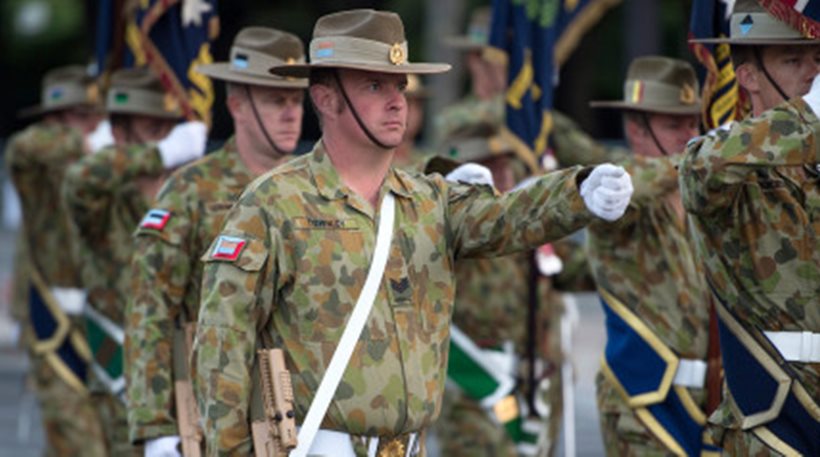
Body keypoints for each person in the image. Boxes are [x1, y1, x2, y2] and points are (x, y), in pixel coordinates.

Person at [192, 9, 633, 456]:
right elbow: (222, 345)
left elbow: (507, 217)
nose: (397, 100)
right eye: (374, 85)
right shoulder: (273, 203)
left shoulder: (428, 201)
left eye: (399, 85)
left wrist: (577, 192)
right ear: (326, 99)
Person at [125, 27, 308, 456]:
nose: (290, 114)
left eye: (297, 100)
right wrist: (156, 427)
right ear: (237, 105)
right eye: (274, 100)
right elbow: (149, 312)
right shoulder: (190, 190)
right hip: (215, 412)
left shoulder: (313, 188)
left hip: (301, 411)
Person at [681, 1, 820, 454]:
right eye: (793, 60)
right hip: (771, 420)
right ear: (748, 76)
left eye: (817, 59)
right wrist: (807, 118)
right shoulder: (721, 159)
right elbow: (704, 168)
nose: (812, 74)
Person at [63, 67, 206, 455]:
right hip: (120, 365)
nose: (164, 135)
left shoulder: (188, 188)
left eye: (168, 127)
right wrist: (159, 154)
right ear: (121, 131)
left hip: (183, 364)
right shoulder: (108, 193)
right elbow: (78, 180)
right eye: (151, 126)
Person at [586, 55, 723, 456]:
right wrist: (701, 157)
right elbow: (634, 183)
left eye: (692, 123)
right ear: (635, 128)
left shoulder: (698, 198)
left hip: (705, 400)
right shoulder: (617, 187)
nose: (688, 134)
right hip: (641, 400)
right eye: (672, 124)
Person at [428, 123, 569, 457]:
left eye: (505, 164)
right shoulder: (446, 224)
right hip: (475, 390)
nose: (503, 174)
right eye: (490, 166)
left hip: (532, 385)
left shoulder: (525, 230)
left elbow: (575, 270)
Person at [5, 64, 108, 457]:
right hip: (54, 323)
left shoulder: (103, 169)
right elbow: (27, 146)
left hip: (103, 324)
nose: (94, 128)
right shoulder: (35, 164)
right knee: (81, 443)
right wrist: (82, 141)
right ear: (54, 120)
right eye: (84, 118)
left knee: (93, 438)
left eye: (97, 118)